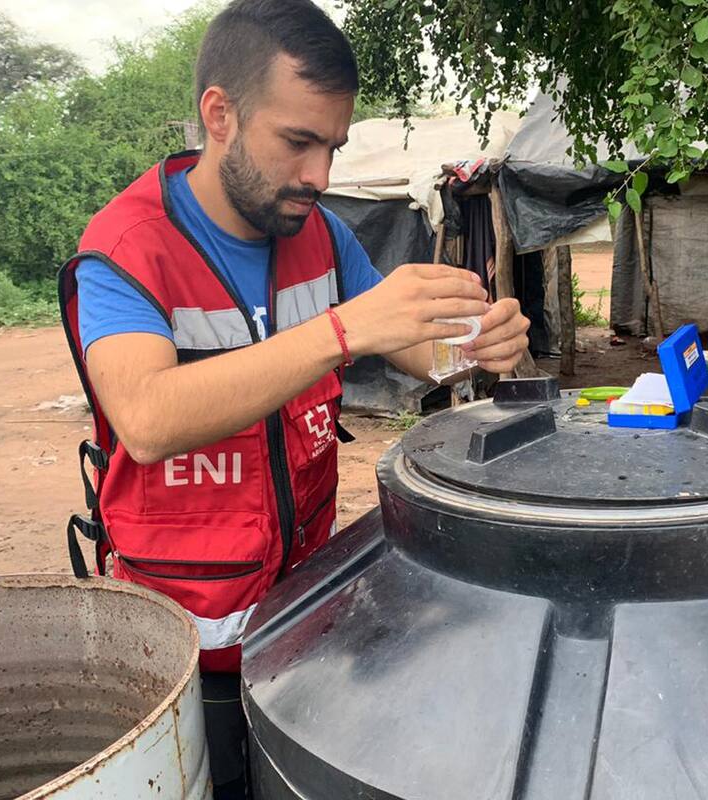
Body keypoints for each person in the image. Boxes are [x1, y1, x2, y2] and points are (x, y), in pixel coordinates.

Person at [56, 1, 530, 796]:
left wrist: (474, 346)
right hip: (182, 650)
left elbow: (409, 342)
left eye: (333, 146)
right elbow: (145, 421)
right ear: (221, 115)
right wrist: (342, 330)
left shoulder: (318, 233)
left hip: (304, 614)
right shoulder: (127, 249)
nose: (320, 176)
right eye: (298, 142)